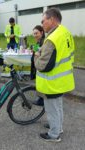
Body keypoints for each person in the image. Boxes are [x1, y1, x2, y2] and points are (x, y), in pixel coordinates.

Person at [34, 8, 75, 142]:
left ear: (51, 20)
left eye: (43, 20)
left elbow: (42, 66)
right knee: (58, 107)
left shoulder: (52, 39)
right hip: (62, 80)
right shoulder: (65, 32)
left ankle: (53, 135)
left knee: (52, 109)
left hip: (52, 82)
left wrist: (36, 57)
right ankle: (57, 127)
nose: (42, 23)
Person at [30, 25, 45, 106]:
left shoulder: (44, 41)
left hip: (41, 66)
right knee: (39, 83)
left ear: (42, 32)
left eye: (36, 33)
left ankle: (42, 99)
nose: (35, 35)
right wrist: (33, 49)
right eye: (34, 34)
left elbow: (42, 54)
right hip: (37, 66)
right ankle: (41, 98)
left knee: (41, 83)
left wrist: (35, 52)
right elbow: (36, 51)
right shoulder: (38, 41)